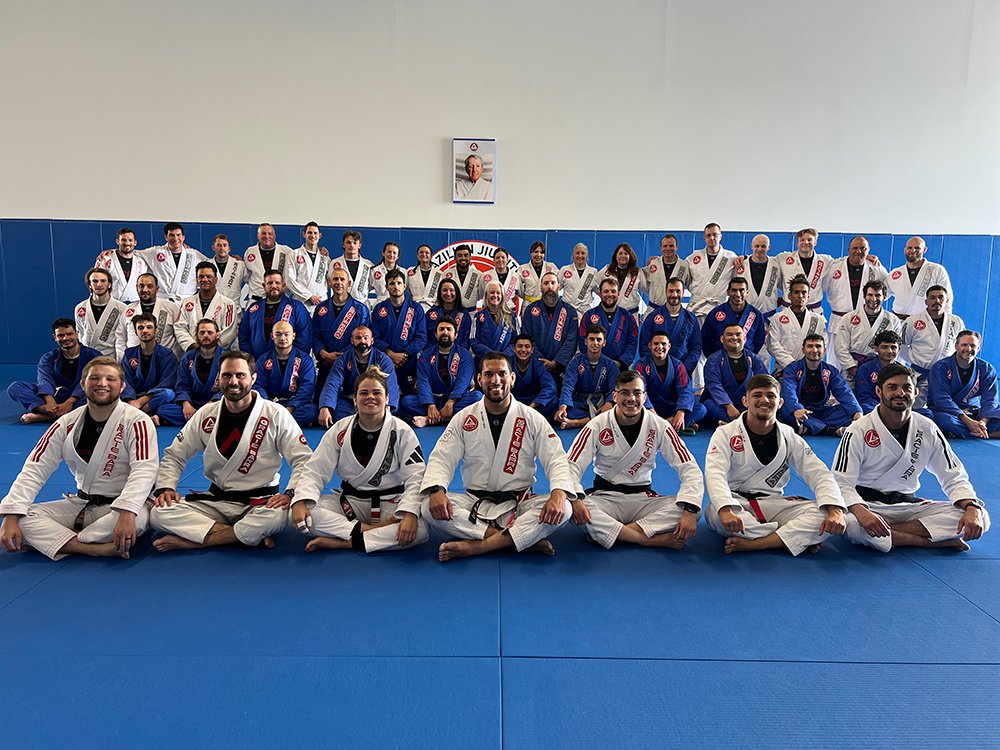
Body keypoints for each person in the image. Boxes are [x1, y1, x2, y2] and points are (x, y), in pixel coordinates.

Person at [150, 351, 313, 552]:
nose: (233, 381)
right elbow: (175, 455)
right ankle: (240, 535)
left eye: (240, 375)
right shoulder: (206, 414)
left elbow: (303, 459)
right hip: (217, 501)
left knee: (278, 517)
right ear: (218, 379)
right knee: (159, 513)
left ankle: (201, 539)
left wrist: (290, 493)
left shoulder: (275, 414)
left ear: (253, 378)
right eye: (226, 375)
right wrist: (166, 487)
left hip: (260, 503)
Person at [0, 357, 158, 560]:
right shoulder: (65, 423)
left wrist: (128, 510)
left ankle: (61, 540)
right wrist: (12, 513)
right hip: (82, 503)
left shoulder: (137, 421)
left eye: (110, 379)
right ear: (83, 385)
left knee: (136, 522)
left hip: (123, 507)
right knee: (20, 521)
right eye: (95, 378)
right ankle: (91, 547)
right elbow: (35, 467)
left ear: (122, 386)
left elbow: (144, 469)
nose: (102, 383)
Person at [421, 352, 574, 561]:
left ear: (512, 378)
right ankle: (516, 540)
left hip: (519, 503)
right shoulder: (464, 418)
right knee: (428, 508)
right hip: (475, 503)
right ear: (479, 379)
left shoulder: (531, 418)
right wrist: (437, 490)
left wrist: (558, 492)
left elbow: (556, 458)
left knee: (564, 508)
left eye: (502, 374)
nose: (495, 381)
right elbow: (442, 457)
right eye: (488, 374)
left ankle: (478, 546)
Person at [832, 364, 989, 552]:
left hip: (909, 507)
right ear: (878, 391)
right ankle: (929, 541)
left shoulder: (927, 428)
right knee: (852, 525)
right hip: (869, 506)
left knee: (981, 517)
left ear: (915, 392)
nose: (900, 393)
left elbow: (953, 475)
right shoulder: (857, 430)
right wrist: (861, 512)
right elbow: (841, 482)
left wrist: (971, 507)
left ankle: (889, 535)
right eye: (892, 387)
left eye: (906, 388)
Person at [290, 367, 429, 553]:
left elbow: (416, 476)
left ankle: (345, 542)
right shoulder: (340, 429)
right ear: (355, 400)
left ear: (387, 398)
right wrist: (301, 499)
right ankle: (369, 532)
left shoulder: (402, 431)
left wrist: (410, 512)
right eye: (363, 393)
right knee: (299, 514)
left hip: (390, 502)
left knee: (421, 530)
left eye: (377, 392)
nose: (370, 397)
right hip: (349, 502)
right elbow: (316, 469)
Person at [705, 374, 847, 555]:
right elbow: (714, 473)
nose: (764, 400)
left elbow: (819, 473)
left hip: (773, 503)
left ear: (780, 402)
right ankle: (791, 538)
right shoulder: (725, 433)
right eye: (757, 395)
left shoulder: (789, 436)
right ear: (745, 401)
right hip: (736, 503)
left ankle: (759, 543)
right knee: (715, 515)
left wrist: (835, 510)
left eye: (771, 396)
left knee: (827, 516)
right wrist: (725, 508)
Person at [566, 369, 704, 549]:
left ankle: (614, 533)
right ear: (614, 396)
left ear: (645, 396)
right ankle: (646, 539)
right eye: (624, 393)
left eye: (637, 393)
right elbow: (570, 466)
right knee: (569, 508)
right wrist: (576, 500)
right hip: (605, 498)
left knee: (694, 510)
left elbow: (689, 467)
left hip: (643, 500)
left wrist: (690, 509)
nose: (631, 398)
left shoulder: (659, 426)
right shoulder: (597, 425)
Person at [7, 318, 101, 424]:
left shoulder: (93, 356)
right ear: (54, 337)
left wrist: (70, 401)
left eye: (69, 334)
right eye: (60, 335)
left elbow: (90, 381)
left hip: (80, 397)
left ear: (77, 334)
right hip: (57, 397)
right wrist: (49, 401)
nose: (65, 338)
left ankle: (45, 417)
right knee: (15, 388)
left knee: (100, 392)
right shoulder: (49, 358)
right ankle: (58, 414)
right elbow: (45, 380)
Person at [402, 317, 481, 428]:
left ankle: (430, 419)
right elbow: (423, 381)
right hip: (434, 399)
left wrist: (451, 402)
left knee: (477, 397)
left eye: (449, 329)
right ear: (435, 334)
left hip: (456, 400)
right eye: (441, 329)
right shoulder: (426, 355)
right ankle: (446, 417)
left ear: (455, 335)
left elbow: (463, 381)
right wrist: (430, 405)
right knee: (407, 402)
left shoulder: (464, 355)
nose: (445, 332)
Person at [779, 334, 862, 436]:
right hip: (801, 410)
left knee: (852, 411)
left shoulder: (831, 371)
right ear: (803, 350)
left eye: (818, 346)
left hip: (821, 410)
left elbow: (844, 392)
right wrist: (796, 409)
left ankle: (810, 427)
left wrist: (857, 412)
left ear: (825, 350)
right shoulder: (792, 369)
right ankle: (831, 430)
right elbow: (788, 392)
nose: (814, 350)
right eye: (810, 346)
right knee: (785, 411)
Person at [318, 325, 399, 426]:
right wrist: (325, 407)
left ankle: (362, 419)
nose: (362, 341)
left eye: (366, 338)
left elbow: (391, 385)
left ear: (372, 341)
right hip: (351, 400)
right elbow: (332, 383)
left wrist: (388, 407)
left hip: (373, 400)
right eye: (358, 338)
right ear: (352, 341)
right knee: (336, 409)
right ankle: (366, 419)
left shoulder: (383, 360)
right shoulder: (342, 360)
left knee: (384, 408)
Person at [824, 236, 888, 358]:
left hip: (865, 322)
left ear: (868, 250)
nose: (858, 251)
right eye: (855, 248)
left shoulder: (876, 268)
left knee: (864, 363)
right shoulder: (833, 267)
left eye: (863, 248)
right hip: (839, 321)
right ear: (848, 250)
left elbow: (887, 290)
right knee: (835, 362)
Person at [901, 285, 965, 407]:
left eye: (941, 297)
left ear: (946, 300)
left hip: (944, 375)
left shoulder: (956, 322)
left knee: (942, 408)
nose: (937, 301)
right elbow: (902, 347)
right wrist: (916, 361)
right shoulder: (912, 321)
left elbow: (960, 346)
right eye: (932, 298)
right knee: (916, 409)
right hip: (919, 373)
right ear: (926, 301)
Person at [928, 330, 1000, 439]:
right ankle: (984, 434)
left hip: (974, 412)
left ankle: (978, 431)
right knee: (946, 422)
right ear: (956, 346)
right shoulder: (941, 367)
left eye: (973, 346)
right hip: (948, 412)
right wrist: (966, 420)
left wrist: (983, 422)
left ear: (978, 348)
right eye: (964, 345)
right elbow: (941, 399)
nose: (968, 349)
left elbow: (990, 399)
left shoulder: (986, 369)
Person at [832, 280, 901, 388]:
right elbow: (840, 347)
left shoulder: (893, 320)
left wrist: (885, 368)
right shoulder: (849, 318)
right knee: (851, 400)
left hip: (880, 368)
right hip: (854, 367)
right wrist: (851, 367)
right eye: (870, 295)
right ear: (864, 296)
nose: (873, 299)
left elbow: (895, 348)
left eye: (878, 295)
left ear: (884, 297)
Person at [312, 267, 371, 392]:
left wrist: (339, 358)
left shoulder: (360, 309)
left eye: (342, 279)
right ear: (329, 282)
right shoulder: (321, 309)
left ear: (348, 284)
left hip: (351, 363)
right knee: (322, 401)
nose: (338, 282)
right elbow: (315, 335)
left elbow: (365, 339)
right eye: (335, 279)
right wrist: (325, 354)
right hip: (325, 363)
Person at [156, 319, 223, 426]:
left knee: (227, 411)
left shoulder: (226, 357)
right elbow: (182, 385)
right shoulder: (188, 357)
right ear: (196, 335)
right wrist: (186, 404)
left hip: (215, 404)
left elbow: (227, 387)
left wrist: (211, 403)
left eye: (210, 332)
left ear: (217, 335)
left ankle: (194, 422)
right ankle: (204, 421)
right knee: (163, 410)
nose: (206, 335)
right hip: (193, 405)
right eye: (202, 332)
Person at [370, 269, 427, 396]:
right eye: (392, 283)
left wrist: (404, 355)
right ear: (386, 287)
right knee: (386, 397)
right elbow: (374, 337)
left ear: (404, 286)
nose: (396, 286)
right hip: (385, 362)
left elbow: (421, 338)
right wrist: (390, 354)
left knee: (409, 399)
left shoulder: (416, 309)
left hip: (409, 363)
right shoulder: (379, 309)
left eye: (399, 283)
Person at [700, 324, 768, 427]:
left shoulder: (753, 359)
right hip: (722, 405)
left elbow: (764, 381)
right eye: (729, 335)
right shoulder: (714, 360)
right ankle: (746, 423)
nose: (734, 337)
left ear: (744, 338)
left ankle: (730, 424)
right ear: (722, 339)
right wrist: (729, 406)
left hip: (746, 404)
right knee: (708, 407)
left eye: (738, 334)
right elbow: (714, 385)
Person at [635, 332, 705, 431]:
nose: (660, 347)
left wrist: (681, 411)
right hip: (650, 408)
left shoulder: (678, 365)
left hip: (671, 407)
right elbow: (640, 391)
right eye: (656, 344)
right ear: (650, 346)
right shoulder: (641, 365)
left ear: (669, 346)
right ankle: (675, 426)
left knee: (701, 409)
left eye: (663, 344)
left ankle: (663, 426)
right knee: (635, 411)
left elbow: (685, 390)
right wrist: (653, 413)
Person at [254, 321, 318, 427]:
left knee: (311, 411)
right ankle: (285, 423)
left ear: (293, 336)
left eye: (286, 334)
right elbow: (259, 385)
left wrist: (290, 408)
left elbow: (307, 387)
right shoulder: (263, 360)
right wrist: (269, 406)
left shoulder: (304, 359)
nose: (282, 338)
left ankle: (272, 423)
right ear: (272, 336)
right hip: (271, 404)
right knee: (254, 408)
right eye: (278, 334)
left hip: (294, 406)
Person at [519, 271, 579, 384]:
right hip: (537, 366)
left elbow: (571, 341)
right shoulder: (530, 310)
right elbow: (527, 339)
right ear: (541, 287)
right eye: (546, 283)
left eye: (553, 283)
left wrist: (556, 362)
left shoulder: (570, 311)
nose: (550, 287)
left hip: (561, 368)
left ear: (559, 286)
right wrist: (541, 361)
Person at [556, 325, 619, 430]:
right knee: (565, 412)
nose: (595, 343)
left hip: (600, 401)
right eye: (591, 339)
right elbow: (568, 386)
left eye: (599, 339)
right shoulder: (575, 362)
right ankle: (590, 421)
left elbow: (615, 388)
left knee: (615, 411)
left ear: (604, 343)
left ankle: (575, 423)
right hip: (580, 400)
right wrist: (563, 406)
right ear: (586, 341)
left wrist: (609, 403)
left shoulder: (610, 365)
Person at [238, 270, 312, 359]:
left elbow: (305, 337)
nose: (274, 286)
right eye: (270, 283)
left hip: (288, 364)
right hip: (257, 364)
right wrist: (251, 360)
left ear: (283, 286)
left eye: (277, 283)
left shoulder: (296, 307)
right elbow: (243, 336)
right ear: (264, 286)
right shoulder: (254, 309)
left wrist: (294, 360)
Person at [638, 278, 701, 375]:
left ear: (683, 292)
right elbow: (644, 346)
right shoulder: (653, 317)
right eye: (671, 291)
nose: (674, 295)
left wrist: (685, 369)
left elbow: (696, 348)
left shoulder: (691, 319)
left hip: (682, 370)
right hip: (657, 371)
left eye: (678, 291)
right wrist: (653, 367)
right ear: (666, 292)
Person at [766, 275, 827, 376]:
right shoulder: (777, 318)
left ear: (808, 297)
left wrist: (808, 365)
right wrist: (793, 365)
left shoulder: (818, 319)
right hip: (784, 369)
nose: (800, 296)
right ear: (789, 296)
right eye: (796, 292)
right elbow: (773, 345)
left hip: (810, 369)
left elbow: (823, 345)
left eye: (804, 292)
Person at [120, 313, 179, 416]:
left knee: (168, 394)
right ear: (136, 332)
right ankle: (144, 413)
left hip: (153, 398)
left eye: (149, 327)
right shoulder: (129, 354)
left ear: (156, 330)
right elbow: (125, 380)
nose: (145, 331)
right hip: (133, 398)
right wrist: (131, 400)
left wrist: (141, 401)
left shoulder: (167, 355)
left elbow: (167, 383)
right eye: (140, 328)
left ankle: (136, 414)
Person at [174, 262, 240, 351]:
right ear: (197, 280)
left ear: (216, 280)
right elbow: (180, 327)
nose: (205, 279)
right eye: (201, 277)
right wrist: (192, 345)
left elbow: (229, 332)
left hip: (219, 354)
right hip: (193, 352)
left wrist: (209, 347)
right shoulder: (187, 303)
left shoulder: (228, 304)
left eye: (209, 276)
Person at [115, 273, 183, 358]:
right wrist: (124, 359)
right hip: (134, 361)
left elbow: (180, 334)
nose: (145, 290)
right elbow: (120, 337)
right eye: (141, 286)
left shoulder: (171, 308)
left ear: (157, 288)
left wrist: (173, 358)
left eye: (150, 286)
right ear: (136, 287)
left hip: (164, 360)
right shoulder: (129, 310)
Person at [134, 222, 207, 301]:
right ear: (166, 237)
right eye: (172, 235)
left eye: (178, 235)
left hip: (187, 300)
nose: (175, 238)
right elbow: (134, 253)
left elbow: (210, 264)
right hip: (163, 299)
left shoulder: (193, 254)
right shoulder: (156, 252)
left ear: (183, 237)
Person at [579, 277, 638, 371]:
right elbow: (583, 341)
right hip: (593, 367)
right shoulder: (589, 316)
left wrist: (620, 362)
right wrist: (596, 361)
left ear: (618, 294)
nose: (610, 294)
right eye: (606, 291)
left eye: (613, 291)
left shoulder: (628, 317)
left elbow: (632, 343)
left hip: (619, 368)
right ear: (600, 294)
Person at [701, 277, 766, 360]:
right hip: (720, 361)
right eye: (734, 290)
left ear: (747, 292)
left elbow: (759, 342)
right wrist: (714, 359)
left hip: (746, 361)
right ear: (728, 292)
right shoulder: (715, 314)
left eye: (742, 290)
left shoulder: (756, 315)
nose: (738, 294)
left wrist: (747, 356)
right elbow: (706, 339)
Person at [888, 236, 953, 319]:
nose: (913, 250)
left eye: (917, 248)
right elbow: (881, 291)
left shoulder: (937, 270)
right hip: (898, 320)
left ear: (924, 250)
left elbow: (947, 297)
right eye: (910, 248)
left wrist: (945, 320)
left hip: (924, 321)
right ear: (905, 250)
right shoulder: (895, 274)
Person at [686, 223, 736, 324]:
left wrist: (745, 257)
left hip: (719, 307)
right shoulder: (694, 257)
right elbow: (680, 272)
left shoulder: (731, 257)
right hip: (696, 307)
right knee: (696, 339)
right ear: (704, 238)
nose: (712, 238)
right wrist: (660, 259)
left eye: (715, 235)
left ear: (720, 236)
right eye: (708, 235)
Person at [74, 267, 128, 357]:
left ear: (109, 284)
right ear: (89, 285)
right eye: (95, 281)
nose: (99, 285)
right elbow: (80, 333)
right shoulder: (80, 308)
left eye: (103, 281)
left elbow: (123, 338)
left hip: (111, 357)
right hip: (88, 357)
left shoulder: (121, 308)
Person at [244, 222, 305, 301]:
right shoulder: (250, 252)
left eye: (270, 233)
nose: (267, 236)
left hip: (279, 298)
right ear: (258, 236)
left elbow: (303, 259)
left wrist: (318, 250)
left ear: (274, 236)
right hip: (256, 299)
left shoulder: (286, 251)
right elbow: (246, 276)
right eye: (263, 233)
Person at [775, 228, 833, 308]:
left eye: (809, 240)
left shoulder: (825, 261)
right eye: (802, 240)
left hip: (814, 311)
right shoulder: (783, 258)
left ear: (815, 242)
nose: (806, 242)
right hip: (789, 310)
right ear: (797, 243)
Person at [854, 331, 906, 413]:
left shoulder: (903, 371)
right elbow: (863, 397)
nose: (889, 351)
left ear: (899, 350)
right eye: (884, 347)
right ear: (876, 348)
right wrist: (884, 408)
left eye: (893, 347)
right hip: (872, 407)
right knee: (864, 408)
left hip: (897, 406)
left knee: (927, 413)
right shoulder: (865, 369)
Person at [731, 234, 782, 318]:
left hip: (769, 316)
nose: (759, 249)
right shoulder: (741, 264)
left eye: (763, 246)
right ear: (751, 246)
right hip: (745, 315)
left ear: (769, 247)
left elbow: (784, 285)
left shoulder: (776, 265)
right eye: (757, 246)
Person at [288, 222, 333, 314]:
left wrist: (319, 294)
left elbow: (330, 280)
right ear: (304, 234)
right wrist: (308, 296)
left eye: (315, 233)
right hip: (301, 302)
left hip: (321, 302)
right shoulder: (294, 254)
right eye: (310, 233)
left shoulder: (325, 257)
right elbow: (289, 280)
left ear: (320, 235)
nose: (312, 235)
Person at [96, 227, 148, 304]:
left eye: (130, 240)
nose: (127, 243)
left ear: (135, 242)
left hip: (135, 305)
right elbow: (96, 282)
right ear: (117, 241)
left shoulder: (141, 262)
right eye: (123, 240)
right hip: (111, 303)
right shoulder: (105, 259)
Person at [510, 334, 558, 418]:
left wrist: (532, 406)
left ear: (532, 350)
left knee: (554, 402)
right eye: (520, 346)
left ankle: (530, 416)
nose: (523, 350)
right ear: (514, 349)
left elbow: (550, 386)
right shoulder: (507, 363)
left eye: (527, 347)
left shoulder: (538, 365)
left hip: (532, 401)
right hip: (512, 400)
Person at [471, 281, 517, 364]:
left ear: (502, 295)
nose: (495, 295)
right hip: (484, 361)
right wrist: (491, 356)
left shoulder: (511, 316)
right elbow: (474, 341)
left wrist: (503, 356)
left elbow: (516, 341)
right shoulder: (478, 316)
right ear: (486, 295)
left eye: (498, 293)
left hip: (506, 362)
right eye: (492, 292)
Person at [645, 234, 692, 308]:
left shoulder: (684, 266)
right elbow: (644, 285)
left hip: (674, 309)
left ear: (676, 247)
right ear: (661, 248)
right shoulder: (653, 264)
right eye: (665, 246)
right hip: (655, 309)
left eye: (671, 246)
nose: (668, 248)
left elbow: (693, 286)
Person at [598, 243, 646, 315]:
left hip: (631, 314)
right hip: (610, 313)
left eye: (626, 253)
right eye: (620, 253)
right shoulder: (606, 270)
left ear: (630, 256)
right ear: (616, 256)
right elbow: (595, 284)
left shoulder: (637, 272)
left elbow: (647, 288)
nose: (623, 256)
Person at [425, 277, 472, 349]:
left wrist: (456, 355)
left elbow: (466, 341)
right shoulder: (431, 313)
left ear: (456, 293)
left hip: (457, 356)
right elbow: (425, 337)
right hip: (433, 355)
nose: (448, 293)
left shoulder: (465, 315)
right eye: (445, 290)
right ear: (440, 293)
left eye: (451, 290)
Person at [331, 230, 375, 306]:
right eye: (348, 242)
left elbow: (372, 285)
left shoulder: (368, 265)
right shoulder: (334, 263)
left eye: (355, 243)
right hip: (341, 304)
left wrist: (359, 290)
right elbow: (330, 282)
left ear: (360, 245)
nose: (351, 245)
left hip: (361, 304)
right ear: (343, 245)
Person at [207, 233, 250, 305]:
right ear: (213, 248)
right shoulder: (207, 265)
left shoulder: (239, 265)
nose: (222, 248)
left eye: (225, 245)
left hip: (233, 307)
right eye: (219, 245)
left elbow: (252, 281)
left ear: (229, 248)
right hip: (213, 307)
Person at [558, 242, 599, 316]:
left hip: (585, 312)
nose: (580, 256)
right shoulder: (564, 270)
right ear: (573, 255)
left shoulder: (593, 272)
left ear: (587, 256)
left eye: (583, 253)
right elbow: (555, 289)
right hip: (567, 311)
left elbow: (601, 292)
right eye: (577, 253)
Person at [516, 240, 558, 305]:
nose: (539, 255)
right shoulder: (523, 269)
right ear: (531, 253)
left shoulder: (551, 267)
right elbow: (518, 289)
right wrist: (527, 296)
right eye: (536, 252)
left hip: (547, 304)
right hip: (529, 303)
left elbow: (558, 284)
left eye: (542, 252)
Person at [407, 243, 446, 309]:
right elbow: (406, 288)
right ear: (417, 255)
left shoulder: (439, 273)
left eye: (427, 252)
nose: (424, 254)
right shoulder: (410, 272)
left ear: (431, 256)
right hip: (415, 306)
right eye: (421, 252)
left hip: (433, 307)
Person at [446, 244, 484, 310]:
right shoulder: (446, 274)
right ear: (454, 258)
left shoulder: (478, 275)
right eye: (459, 256)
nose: (463, 258)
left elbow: (482, 295)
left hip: (471, 313)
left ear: (470, 257)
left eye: (466, 255)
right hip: (452, 313)